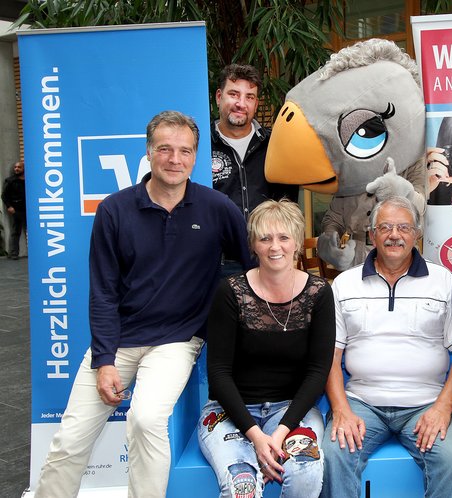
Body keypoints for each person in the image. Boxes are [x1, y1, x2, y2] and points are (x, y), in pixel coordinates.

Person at [34, 110, 253, 498]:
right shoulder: (114, 210)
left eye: (185, 151)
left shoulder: (216, 208)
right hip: (117, 340)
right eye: (165, 149)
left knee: (146, 419)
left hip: (176, 340)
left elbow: (254, 265)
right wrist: (103, 360)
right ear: (149, 152)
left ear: (195, 156)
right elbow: (102, 290)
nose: (175, 159)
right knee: (69, 439)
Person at [320, 196, 452, 498]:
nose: (394, 235)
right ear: (372, 233)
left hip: (426, 403)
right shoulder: (344, 284)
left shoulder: (444, 281)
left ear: (416, 234)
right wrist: (341, 410)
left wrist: (444, 407)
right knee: (333, 455)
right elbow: (330, 354)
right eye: (386, 227)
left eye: (404, 227)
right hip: (362, 402)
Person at [198, 199, 335, 498]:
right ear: (253, 245)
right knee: (241, 487)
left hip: (291, 411)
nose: (276, 247)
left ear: (297, 242)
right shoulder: (230, 292)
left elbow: (317, 372)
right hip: (230, 412)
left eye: (284, 237)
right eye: (265, 238)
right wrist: (257, 437)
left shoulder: (319, 293)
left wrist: (281, 431)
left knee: (306, 474)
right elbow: (218, 373)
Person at [212, 64, 298, 276]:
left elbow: (289, 204)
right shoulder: (201, 145)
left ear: (256, 103)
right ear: (219, 97)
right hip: (218, 262)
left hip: (269, 258)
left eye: (249, 97)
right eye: (234, 94)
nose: (241, 104)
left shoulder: (275, 144)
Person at [2, 160, 26, 259]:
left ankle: (35, 252)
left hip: (29, 210)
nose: (16, 169)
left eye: (19, 167)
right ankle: (14, 254)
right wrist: (9, 206)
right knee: (16, 232)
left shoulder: (30, 180)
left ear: (24, 169)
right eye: (15, 167)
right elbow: (4, 195)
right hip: (17, 210)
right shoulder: (10, 181)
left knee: (33, 232)